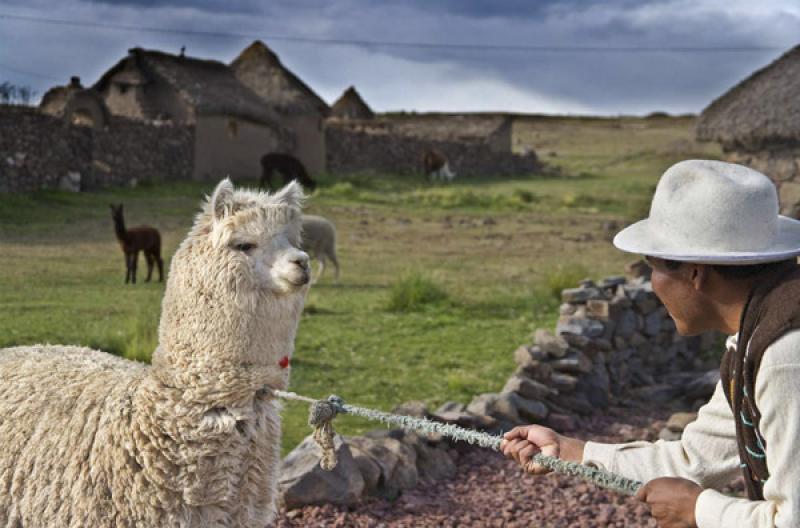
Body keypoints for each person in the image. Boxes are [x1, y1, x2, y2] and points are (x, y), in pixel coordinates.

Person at [501, 160, 800, 527]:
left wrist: (698, 510)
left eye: (653, 266)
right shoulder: (756, 336)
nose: (653, 283)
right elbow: (695, 458)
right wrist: (569, 451)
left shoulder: (785, 355)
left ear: (695, 273)